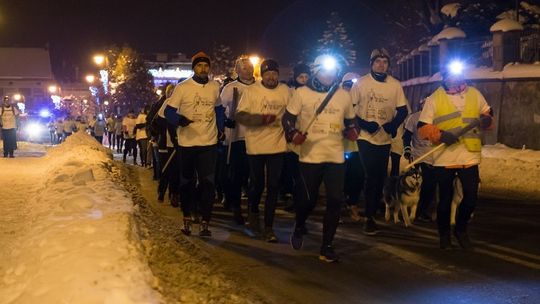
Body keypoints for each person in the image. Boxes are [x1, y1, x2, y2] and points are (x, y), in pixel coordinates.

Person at [284, 55, 358, 262]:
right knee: (308, 200)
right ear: (316, 72)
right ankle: (300, 224)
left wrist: (352, 131)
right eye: (325, 71)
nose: (329, 75)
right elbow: (288, 119)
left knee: (335, 200)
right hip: (310, 156)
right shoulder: (302, 93)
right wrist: (292, 134)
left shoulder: (343, 95)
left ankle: (327, 245)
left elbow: (351, 121)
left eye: (333, 71)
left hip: (335, 156)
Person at [418, 63, 493, 250]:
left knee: (471, 198)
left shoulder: (475, 93)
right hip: (445, 157)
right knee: (445, 199)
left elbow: (487, 112)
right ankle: (444, 235)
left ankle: (461, 229)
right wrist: (441, 135)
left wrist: (487, 119)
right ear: (444, 77)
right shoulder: (435, 98)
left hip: (469, 156)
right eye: (451, 76)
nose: (455, 79)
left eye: (458, 75)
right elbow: (423, 127)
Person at [165, 51, 224, 237]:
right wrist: (180, 120)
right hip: (188, 143)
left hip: (208, 141)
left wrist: (221, 128)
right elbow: (168, 112)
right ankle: (187, 217)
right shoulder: (183, 87)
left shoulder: (215, 87)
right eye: (199, 65)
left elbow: (219, 109)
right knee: (187, 182)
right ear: (194, 68)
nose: (203, 69)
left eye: (206, 65)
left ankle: (205, 222)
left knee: (208, 182)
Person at [350, 48, 408, 235]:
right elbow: (349, 110)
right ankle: (369, 217)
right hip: (365, 138)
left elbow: (403, 110)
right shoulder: (361, 84)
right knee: (370, 176)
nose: (381, 65)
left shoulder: (395, 85)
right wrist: (365, 124)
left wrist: (394, 125)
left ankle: (373, 210)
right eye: (378, 61)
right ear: (372, 64)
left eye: (385, 62)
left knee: (379, 177)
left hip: (384, 139)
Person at [236, 59, 289, 242]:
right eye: (268, 74)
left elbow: (293, 113)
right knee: (257, 184)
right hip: (256, 145)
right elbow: (240, 115)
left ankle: (269, 227)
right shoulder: (252, 91)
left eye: (274, 74)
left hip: (278, 144)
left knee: (273, 185)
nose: (271, 77)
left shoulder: (285, 91)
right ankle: (253, 212)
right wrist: (261, 119)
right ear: (262, 75)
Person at [220, 56, 257, 225]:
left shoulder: (259, 87)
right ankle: (235, 205)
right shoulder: (231, 88)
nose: (247, 71)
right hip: (237, 137)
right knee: (237, 174)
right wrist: (227, 120)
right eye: (243, 68)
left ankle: (252, 208)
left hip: (256, 137)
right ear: (237, 70)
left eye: (249, 68)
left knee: (253, 175)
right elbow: (221, 108)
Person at [281, 63, 312, 212]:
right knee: (292, 169)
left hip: (308, 137)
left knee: (305, 172)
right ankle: (291, 195)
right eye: (301, 77)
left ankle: (304, 197)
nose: (304, 79)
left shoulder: (313, 93)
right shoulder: (290, 92)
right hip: (292, 136)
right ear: (295, 77)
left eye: (307, 76)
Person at [403, 96, 435, 222]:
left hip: (433, 156)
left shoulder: (437, 118)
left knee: (430, 185)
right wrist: (407, 149)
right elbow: (407, 136)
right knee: (417, 183)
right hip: (418, 156)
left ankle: (422, 209)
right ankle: (413, 208)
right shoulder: (414, 118)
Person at [340, 72, 364, 222]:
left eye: (354, 86)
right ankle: (340, 206)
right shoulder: (337, 99)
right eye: (348, 85)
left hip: (357, 147)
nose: (351, 89)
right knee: (339, 178)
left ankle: (352, 203)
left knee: (357, 177)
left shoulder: (361, 102)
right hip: (339, 147)